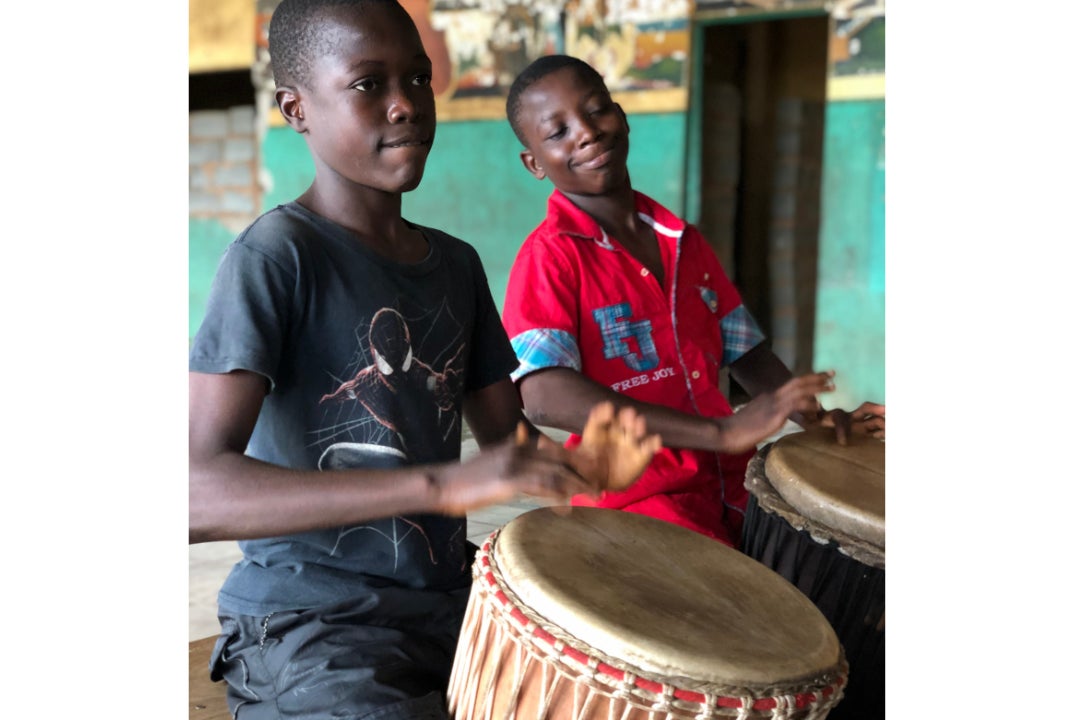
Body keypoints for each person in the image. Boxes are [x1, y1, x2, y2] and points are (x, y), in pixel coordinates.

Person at [188, 6, 660, 719]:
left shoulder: (456, 266)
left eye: (417, 78)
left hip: (449, 606)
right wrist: (441, 483)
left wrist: (585, 466)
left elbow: (510, 445)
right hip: (314, 629)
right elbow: (194, 493)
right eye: (367, 84)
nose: (405, 103)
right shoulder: (277, 257)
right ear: (296, 109)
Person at [501, 54, 886, 548]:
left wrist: (818, 422)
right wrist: (720, 432)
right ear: (534, 163)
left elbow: (747, 353)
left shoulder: (684, 242)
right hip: (639, 499)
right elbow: (543, 396)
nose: (587, 133)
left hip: (732, 483)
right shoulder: (550, 258)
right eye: (558, 132)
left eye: (596, 110)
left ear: (622, 117)